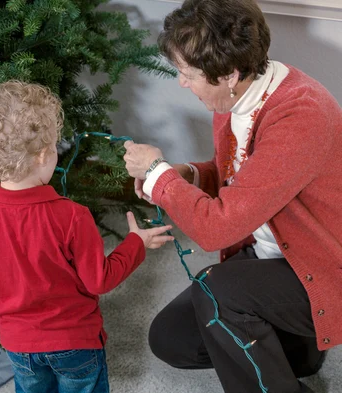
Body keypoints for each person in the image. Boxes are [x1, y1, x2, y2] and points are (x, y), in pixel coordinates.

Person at [122, 0, 342, 392]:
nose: (181, 83)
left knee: (217, 292)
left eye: (187, 73)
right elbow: (240, 175)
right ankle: (296, 350)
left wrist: (157, 176)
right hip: (274, 254)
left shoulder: (300, 114)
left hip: (322, 267)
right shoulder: (236, 96)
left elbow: (217, 230)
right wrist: (182, 175)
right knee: (171, 339)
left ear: (228, 73)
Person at [0, 80, 174, 393]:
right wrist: (136, 242)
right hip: (76, 344)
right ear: (45, 155)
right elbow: (100, 280)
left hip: (19, 344)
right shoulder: (72, 215)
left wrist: (2, 303)